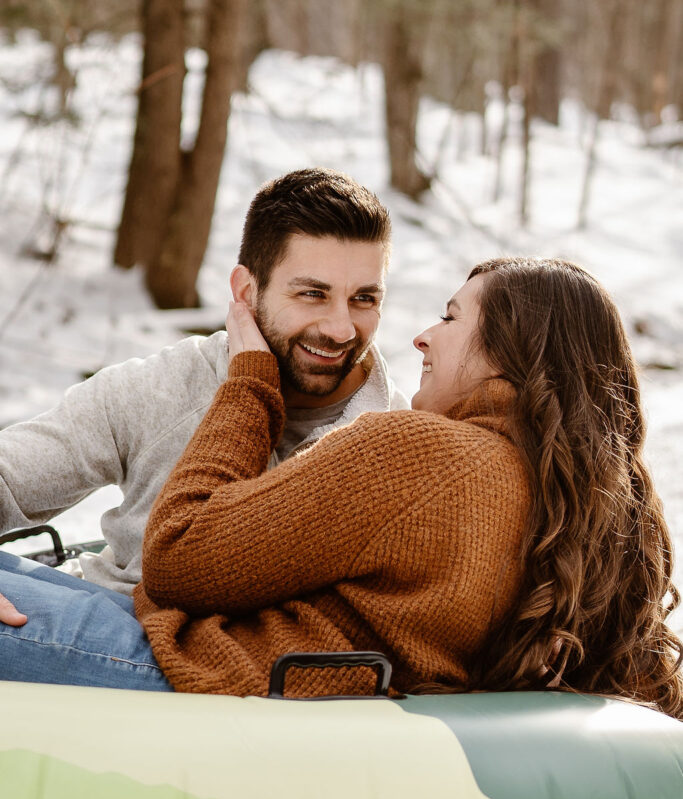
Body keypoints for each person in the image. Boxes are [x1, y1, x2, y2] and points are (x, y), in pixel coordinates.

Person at [1, 257, 682, 718]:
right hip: (228, 667)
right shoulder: (598, 513)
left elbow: (180, 559)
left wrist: (247, 382)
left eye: (449, 318)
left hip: (190, 676)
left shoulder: (426, 454)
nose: (420, 337)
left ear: (510, 350)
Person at [0, 168, 407, 627]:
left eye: (364, 299)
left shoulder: (400, 439)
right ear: (246, 292)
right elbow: (10, 474)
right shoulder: (163, 386)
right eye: (313, 294)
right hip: (97, 629)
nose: (340, 328)